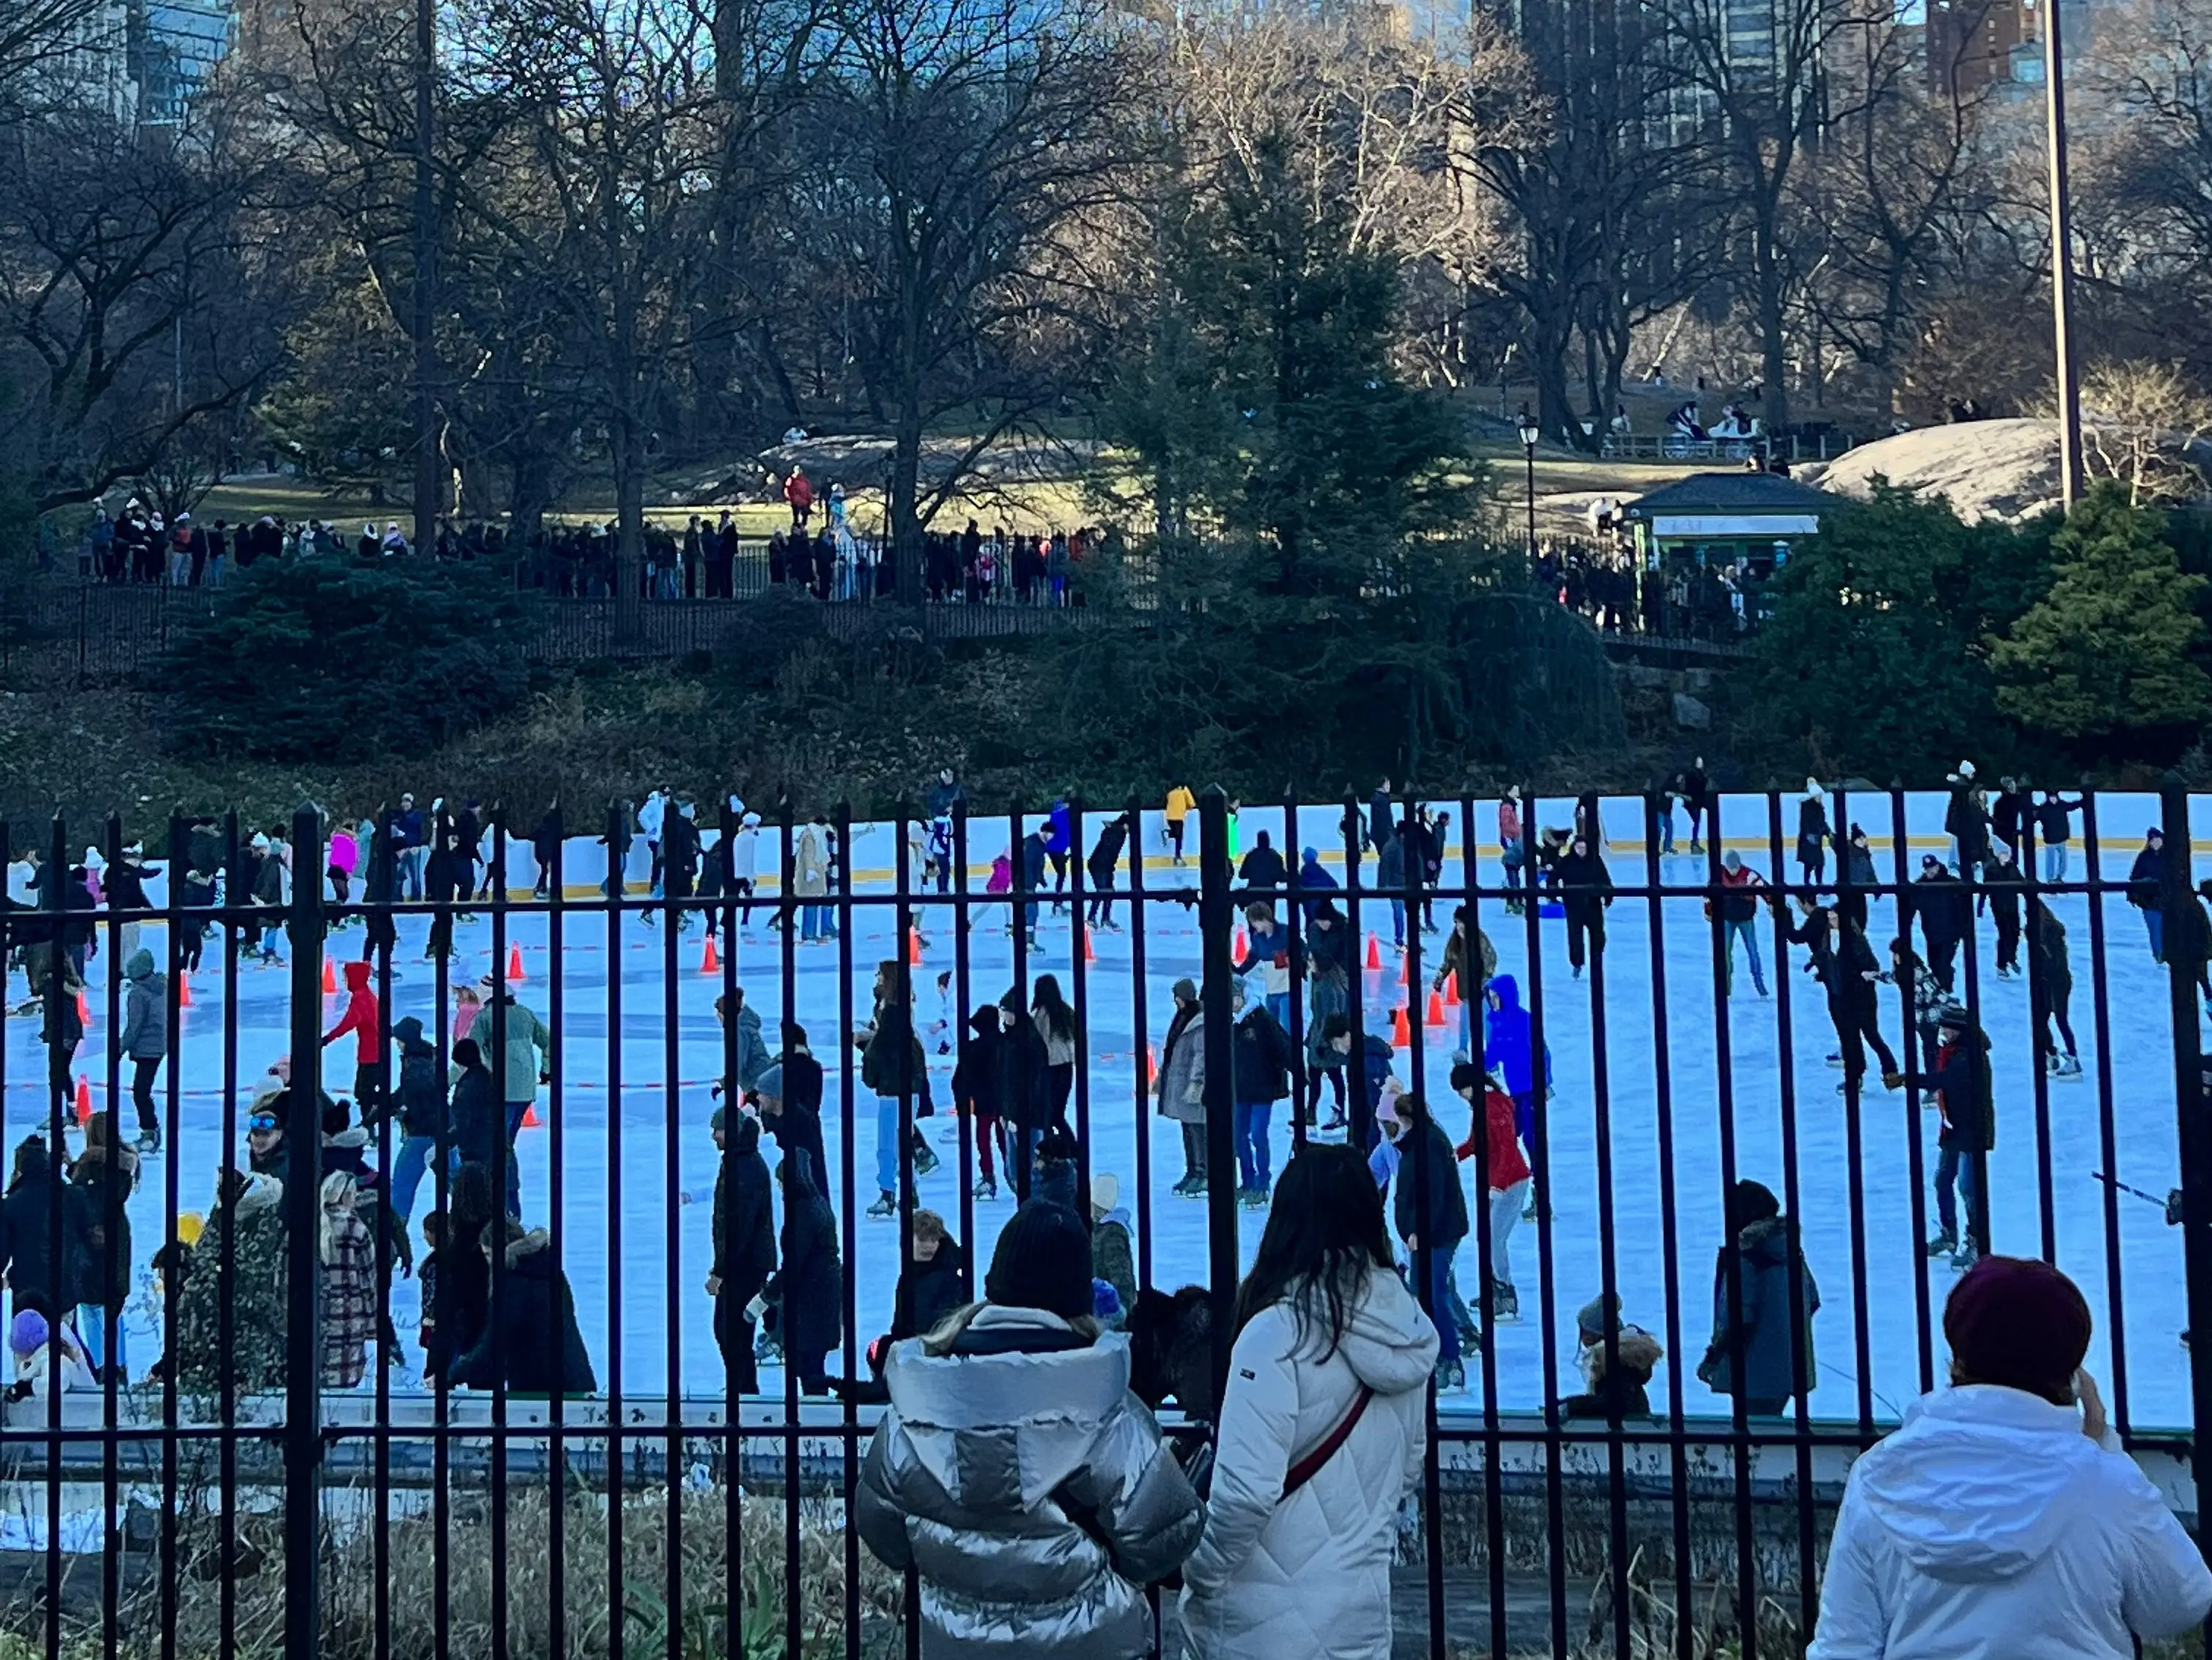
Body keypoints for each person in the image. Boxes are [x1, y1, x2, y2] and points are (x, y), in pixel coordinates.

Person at [1806, 1257, 2212, 1660]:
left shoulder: (1884, 1474)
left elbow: (1844, 1646)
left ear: (1958, 1349)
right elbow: (2179, 1605)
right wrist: (2102, 1448)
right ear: (2072, 1367)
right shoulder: (2105, 1482)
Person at [855, 1200, 1204, 1660]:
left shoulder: (917, 1402)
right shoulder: (1110, 1410)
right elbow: (1166, 1540)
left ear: (995, 1284)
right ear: (1078, 1295)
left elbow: (884, 1533)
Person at [1178, 1143, 1438, 1660]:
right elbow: (1407, 1471)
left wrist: (1200, 1573)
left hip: (1262, 1626)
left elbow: (1246, 1494)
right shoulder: (1405, 1329)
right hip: (1358, 1617)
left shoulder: (1276, 1336)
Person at [1698, 1179, 1818, 1415]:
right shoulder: (1790, 1252)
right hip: (1790, 1367)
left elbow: (1740, 1320)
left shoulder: (1747, 1257)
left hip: (1753, 1373)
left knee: (1755, 1437)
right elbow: (1812, 1300)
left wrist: (1713, 1358)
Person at [449, 1219, 596, 1395]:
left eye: (488, 1255)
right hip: (575, 1376)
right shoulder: (550, 1272)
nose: (487, 1263)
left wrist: (451, 1375)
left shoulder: (513, 1283)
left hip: (538, 1389)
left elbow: (493, 1344)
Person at [1389, 1092, 1469, 1391]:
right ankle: (1435, 1354)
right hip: (1427, 1234)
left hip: (1435, 1235)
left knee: (1434, 1295)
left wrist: (1420, 1230)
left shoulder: (1428, 1146)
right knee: (1424, 1293)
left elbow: (1432, 1193)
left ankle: (1449, 1357)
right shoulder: (1420, 1144)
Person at [462, 979, 552, 1220]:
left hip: (499, 1091)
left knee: (499, 1148)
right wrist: (546, 1069)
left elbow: (469, 1052)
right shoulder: (525, 1014)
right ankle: (511, 1202)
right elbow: (548, 1041)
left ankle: (504, 1202)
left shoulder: (484, 1018)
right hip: (524, 1092)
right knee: (506, 1146)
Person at [1450, 1063, 1529, 1323]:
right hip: (1498, 1182)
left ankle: (1504, 1294)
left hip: (1511, 1183)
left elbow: (1507, 1147)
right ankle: (1494, 1290)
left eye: (1462, 1089)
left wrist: (1498, 1184)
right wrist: (1453, 1156)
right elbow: (1476, 1143)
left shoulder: (1494, 1107)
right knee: (1489, 1238)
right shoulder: (1485, 1106)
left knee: (1495, 1240)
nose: (1461, 1095)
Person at [759, 1148, 841, 1394]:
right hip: (822, 1294)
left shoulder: (803, 1212)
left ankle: (816, 1419)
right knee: (812, 1363)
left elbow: (795, 1261)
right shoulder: (817, 1203)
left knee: (809, 1366)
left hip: (811, 1298)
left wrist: (768, 1294)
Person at [708, 1104, 775, 1392]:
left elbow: (738, 1227)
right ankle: (742, 1388)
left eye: (718, 1130)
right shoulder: (739, 1160)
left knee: (732, 1333)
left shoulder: (743, 1167)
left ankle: (744, 1392)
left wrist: (721, 1271)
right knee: (731, 1332)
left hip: (743, 1266)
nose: (714, 1136)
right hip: (743, 1263)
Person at [1922, 1002, 1993, 1267]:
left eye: (1946, 1027)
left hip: (1970, 1132)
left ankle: (1975, 1242)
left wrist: (1907, 1079)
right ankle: (1948, 1234)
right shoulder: (1951, 1052)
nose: (1942, 1031)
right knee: (1943, 1180)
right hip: (1953, 1128)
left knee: (1967, 1187)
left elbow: (1944, 1081)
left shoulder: (1967, 1057)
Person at [70, 1113, 135, 1379]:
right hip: (119, 1238)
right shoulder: (123, 1166)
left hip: (93, 1244)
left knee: (90, 1309)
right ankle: (119, 1366)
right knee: (113, 1308)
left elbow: (84, 1200)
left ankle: (100, 1368)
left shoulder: (89, 1167)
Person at [1229, 977, 1297, 1207]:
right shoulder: (1229, 1023)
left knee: (1258, 1134)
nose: (1232, 1004)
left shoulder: (1261, 1020)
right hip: (1240, 1090)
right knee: (1239, 1136)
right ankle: (1247, 1181)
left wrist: (1297, 1071)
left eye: (1235, 998)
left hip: (1262, 1089)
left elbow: (1282, 1045)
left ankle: (1262, 1183)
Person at [380, 1016, 451, 1224]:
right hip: (440, 1127)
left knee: (402, 1184)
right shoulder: (424, 1058)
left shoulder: (416, 1066)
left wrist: (402, 1109)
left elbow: (414, 1094)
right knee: (452, 1180)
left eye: (399, 1040)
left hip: (423, 1132)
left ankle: (394, 1230)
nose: (397, 1045)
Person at [1560, 1293, 1662, 1422]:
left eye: (1588, 1332)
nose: (1584, 1338)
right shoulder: (1623, 1359)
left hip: (1625, 1431)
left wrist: (1571, 1405)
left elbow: (1613, 1402)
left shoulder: (1616, 1361)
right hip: (1634, 1426)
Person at [319, 1170, 378, 1388]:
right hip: (348, 1316)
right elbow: (368, 1280)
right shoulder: (356, 1229)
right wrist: (373, 1322)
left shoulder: (309, 1224)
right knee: (342, 1384)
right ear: (345, 1197)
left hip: (315, 1313)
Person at [1155, 978, 1208, 1195]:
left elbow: (1200, 1055)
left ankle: (1202, 1172)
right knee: (1187, 1129)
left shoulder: (1198, 1022)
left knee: (1197, 1129)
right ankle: (1192, 1171)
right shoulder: (1183, 1018)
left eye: (1177, 996)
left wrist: (1196, 1083)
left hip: (1190, 1084)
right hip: (1179, 1081)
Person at [888, 1208, 968, 1342]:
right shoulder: (910, 1274)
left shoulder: (948, 1277)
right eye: (923, 1239)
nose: (929, 1246)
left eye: (934, 1239)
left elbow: (947, 1321)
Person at [117, 947, 169, 1153]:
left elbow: (134, 1026)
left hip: (146, 1047)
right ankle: (151, 1131)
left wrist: (120, 1049)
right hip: (159, 1044)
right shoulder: (162, 986)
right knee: (142, 1090)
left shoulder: (138, 993)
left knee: (140, 1092)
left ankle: (150, 1132)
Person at [2028, 899, 2082, 1079]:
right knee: (2041, 1020)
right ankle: (2051, 1053)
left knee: (2060, 1019)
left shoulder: (2050, 934)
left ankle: (2072, 1058)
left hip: (2057, 982)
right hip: (2047, 981)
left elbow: (2054, 963)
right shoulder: (2042, 933)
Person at [1550, 834, 1613, 979]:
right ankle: (1577, 964)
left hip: (1593, 904)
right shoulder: (1566, 861)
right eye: (1579, 847)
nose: (1581, 850)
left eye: (1584, 847)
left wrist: (1608, 896)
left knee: (1597, 934)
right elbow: (1553, 878)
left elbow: (1605, 879)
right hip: (1573, 905)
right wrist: (1553, 894)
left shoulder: (1595, 861)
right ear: (1574, 847)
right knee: (1575, 936)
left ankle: (1597, 958)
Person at [1713, 851, 1770, 998]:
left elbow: (1765, 889)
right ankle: (1726, 990)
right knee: (1725, 955)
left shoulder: (1749, 875)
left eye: (1735, 868)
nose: (1733, 871)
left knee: (1753, 952)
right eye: (1730, 868)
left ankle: (1760, 987)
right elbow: (1710, 894)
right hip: (1726, 919)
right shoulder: (1719, 875)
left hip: (1746, 920)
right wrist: (1708, 911)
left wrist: (1771, 903)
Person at [1909, 855, 1970, 992]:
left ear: (1937, 867)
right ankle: (1943, 989)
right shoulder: (1921, 886)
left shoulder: (1951, 884)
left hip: (1950, 934)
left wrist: (1963, 930)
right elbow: (1911, 906)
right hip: (1931, 934)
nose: (1929, 871)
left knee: (1943, 964)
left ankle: (1946, 990)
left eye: (1932, 868)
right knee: (1934, 964)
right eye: (1926, 869)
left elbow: (1964, 906)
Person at [1031, 973, 1080, 1135]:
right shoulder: (1066, 1011)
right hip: (1066, 1067)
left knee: (1048, 1116)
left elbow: (1039, 1043)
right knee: (1057, 1114)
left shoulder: (1041, 1015)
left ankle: (1065, 1151)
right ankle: (1070, 1150)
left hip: (1049, 1069)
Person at [1090, 1173, 1136, 1318]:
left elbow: (1121, 1275)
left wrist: (1125, 1310)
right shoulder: (1096, 1228)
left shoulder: (1111, 1234)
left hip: (1111, 1308)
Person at [1984, 842, 2027, 979]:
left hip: (2012, 905)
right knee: (2004, 934)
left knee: (2015, 933)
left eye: (2008, 853)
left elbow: (2020, 881)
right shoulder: (1991, 868)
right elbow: (1988, 887)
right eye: (2004, 853)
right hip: (1999, 907)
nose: (2007, 856)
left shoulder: (2012, 866)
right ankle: (2001, 965)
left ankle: (2011, 959)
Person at [2129, 829, 2167, 962]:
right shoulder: (2143, 857)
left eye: (2157, 839)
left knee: (2168, 929)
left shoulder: (2169, 857)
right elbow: (2135, 877)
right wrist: (2134, 895)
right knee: (2155, 930)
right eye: (2152, 840)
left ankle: (2167, 953)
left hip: (2166, 901)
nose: (2155, 842)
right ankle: (2159, 954)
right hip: (2149, 902)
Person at [1795, 779, 1829, 884]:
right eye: (1819, 796)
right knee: (1811, 863)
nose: (1820, 798)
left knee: (1817, 863)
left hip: (1814, 839)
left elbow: (1821, 822)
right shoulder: (1809, 808)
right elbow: (1812, 824)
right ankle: (1809, 883)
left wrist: (1827, 831)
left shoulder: (1818, 807)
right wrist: (1822, 830)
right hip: (1809, 840)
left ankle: (1817, 882)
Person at [1165, 783, 1196, 867]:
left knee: (1177, 835)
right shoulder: (1185, 791)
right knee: (1179, 838)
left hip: (1169, 817)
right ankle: (1178, 857)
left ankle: (1169, 834)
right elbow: (1192, 804)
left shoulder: (1171, 793)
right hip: (1178, 817)